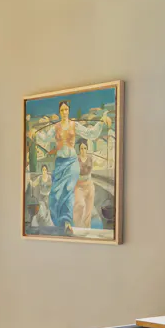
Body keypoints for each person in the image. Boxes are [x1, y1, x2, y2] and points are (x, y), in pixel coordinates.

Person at [30, 100, 108, 234]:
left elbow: (90, 133)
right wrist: (34, 133)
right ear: (59, 112)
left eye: (66, 110)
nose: (64, 112)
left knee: (67, 191)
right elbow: (45, 138)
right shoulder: (56, 127)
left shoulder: (74, 125)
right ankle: (60, 223)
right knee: (54, 195)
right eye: (62, 110)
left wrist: (101, 121)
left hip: (72, 163)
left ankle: (67, 222)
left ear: (69, 111)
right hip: (60, 163)